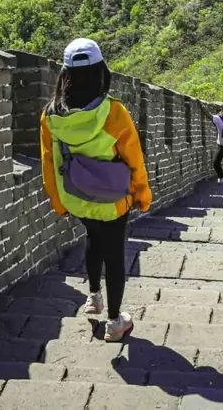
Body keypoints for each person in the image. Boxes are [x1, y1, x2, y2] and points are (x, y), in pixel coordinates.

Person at [41, 38, 152, 343]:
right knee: (114, 254)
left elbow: (49, 162)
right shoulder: (113, 112)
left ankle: (93, 296)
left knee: (92, 235)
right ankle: (115, 323)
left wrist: (58, 202)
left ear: (65, 74)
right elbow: (134, 161)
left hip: (76, 197)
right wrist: (142, 196)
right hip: (113, 200)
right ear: (102, 69)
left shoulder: (51, 115)